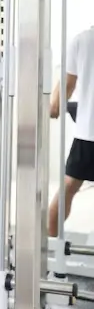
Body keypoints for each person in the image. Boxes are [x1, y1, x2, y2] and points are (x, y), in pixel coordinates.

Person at [49, 25, 94, 237]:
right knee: (68, 188)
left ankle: (49, 246)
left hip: (88, 132)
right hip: (87, 130)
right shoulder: (81, 41)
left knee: (68, 188)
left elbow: (67, 85)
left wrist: (55, 107)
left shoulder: (81, 40)